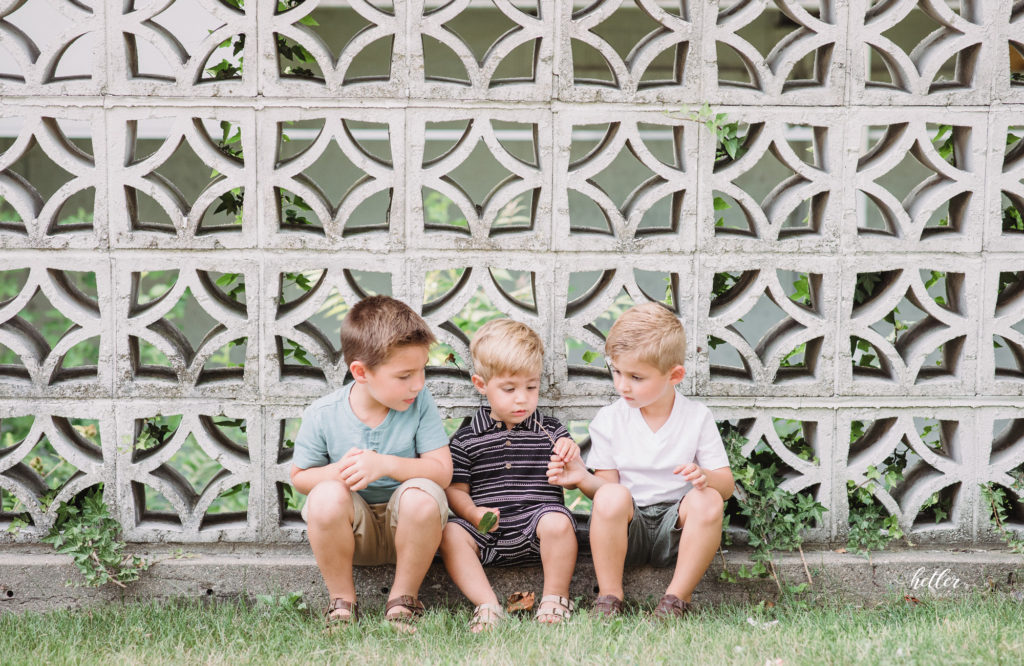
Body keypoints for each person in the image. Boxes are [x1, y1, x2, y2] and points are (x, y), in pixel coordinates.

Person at [548, 302, 734, 618]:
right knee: (612, 496)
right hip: (628, 529)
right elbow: (605, 490)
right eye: (617, 371)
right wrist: (582, 477)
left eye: (636, 377)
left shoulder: (696, 418)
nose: (622, 385)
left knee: (709, 500)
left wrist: (705, 477)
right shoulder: (610, 419)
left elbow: (726, 486)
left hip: (675, 529)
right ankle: (609, 596)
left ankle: (676, 600)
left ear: (674, 375)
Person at [290, 295, 452, 632]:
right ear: (361, 372)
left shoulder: (420, 403)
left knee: (424, 494)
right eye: (404, 375)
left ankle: (403, 601)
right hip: (352, 532)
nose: (418, 384)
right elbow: (301, 478)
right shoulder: (323, 414)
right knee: (324, 495)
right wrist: (342, 472)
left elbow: (442, 471)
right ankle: (341, 603)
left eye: (422, 370)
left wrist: (385, 464)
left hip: (410, 531)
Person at [439, 318, 580, 632]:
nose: (522, 398)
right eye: (509, 388)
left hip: (537, 527)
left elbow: (572, 470)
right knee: (450, 533)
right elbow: (456, 491)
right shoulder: (465, 439)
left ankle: (556, 597)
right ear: (481, 385)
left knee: (558, 521)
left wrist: (569, 454)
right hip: (488, 533)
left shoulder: (551, 431)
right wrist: (473, 514)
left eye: (531, 387)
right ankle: (487, 605)